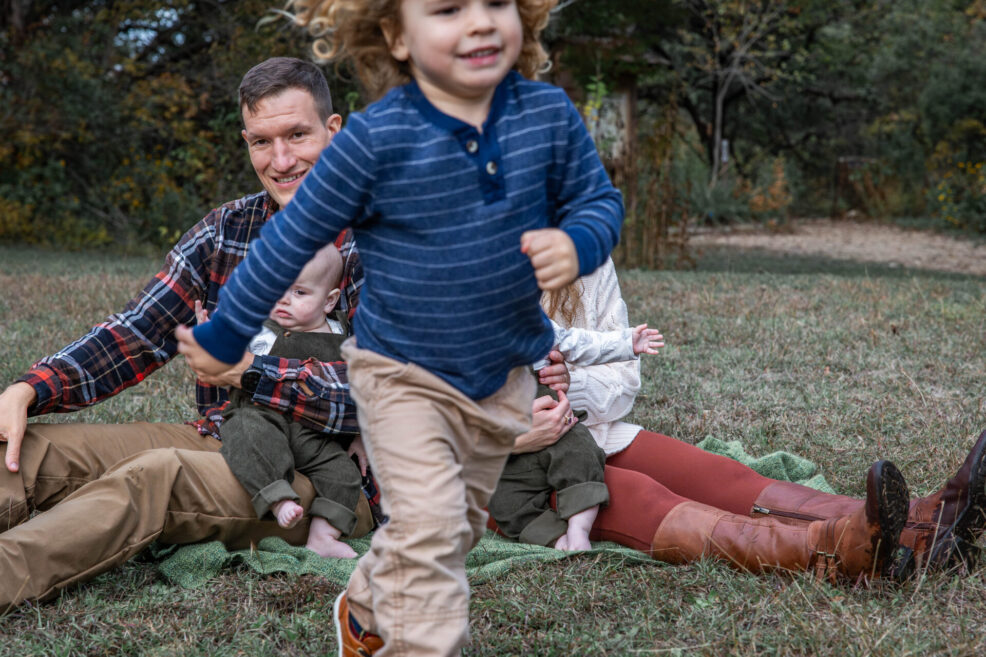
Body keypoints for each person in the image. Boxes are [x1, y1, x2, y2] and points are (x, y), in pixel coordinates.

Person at [175, 1, 624, 655]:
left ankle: (364, 610)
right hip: (398, 373)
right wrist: (224, 333)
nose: (478, 22)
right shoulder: (374, 139)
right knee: (432, 529)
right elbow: (284, 246)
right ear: (396, 35)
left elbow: (599, 199)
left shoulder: (549, 116)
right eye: (446, 9)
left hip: (496, 375)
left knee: (459, 520)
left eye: (496, 3)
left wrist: (580, 240)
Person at [0, 57, 376, 611]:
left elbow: (388, 398)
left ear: (334, 131)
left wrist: (251, 372)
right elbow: (136, 332)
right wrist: (32, 388)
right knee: (30, 450)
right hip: (223, 435)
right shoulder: (225, 230)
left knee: (157, 475)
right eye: (261, 142)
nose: (282, 160)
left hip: (322, 481)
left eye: (298, 135)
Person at [498, 257, 986, 579]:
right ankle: (833, 552)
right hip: (501, 469)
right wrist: (512, 434)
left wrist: (570, 386)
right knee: (636, 495)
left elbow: (623, 380)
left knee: (719, 475)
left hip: (590, 429)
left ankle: (926, 526)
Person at [214, 244, 366, 559]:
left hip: (315, 434)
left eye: (299, 292)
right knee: (246, 433)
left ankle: (323, 535)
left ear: (329, 301)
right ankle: (278, 497)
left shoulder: (344, 335)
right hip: (264, 418)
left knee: (343, 473)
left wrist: (360, 434)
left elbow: (358, 389)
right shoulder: (262, 331)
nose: (283, 299)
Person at [489, 322, 663, 551]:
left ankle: (579, 529)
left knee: (579, 453)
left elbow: (578, 343)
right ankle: (556, 539)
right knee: (503, 498)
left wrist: (625, 342)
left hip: (547, 411)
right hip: (498, 430)